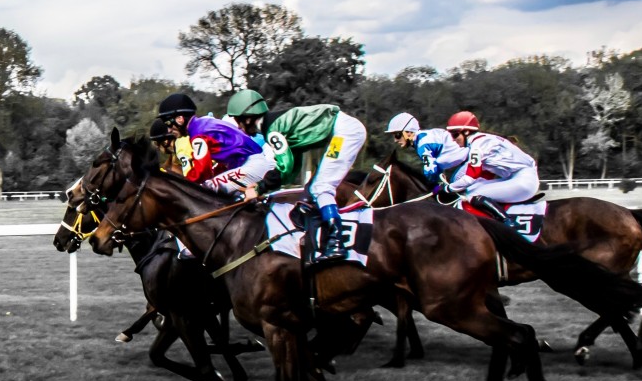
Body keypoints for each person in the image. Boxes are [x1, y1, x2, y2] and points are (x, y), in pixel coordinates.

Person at [225, 89, 367, 260]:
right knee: (314, 188)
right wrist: (259, 187)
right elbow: (291, 170)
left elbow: (286, 166)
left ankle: (336, 243)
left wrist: (259, 189)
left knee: (322, 188)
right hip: (343, 130)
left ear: (248, 118)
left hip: (345, 132)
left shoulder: (273, 130)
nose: (239, 127)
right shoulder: (276, 127)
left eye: (238, 121)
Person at [157, 92, 275, 197]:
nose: (168, 130)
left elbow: (203, 171)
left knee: (203, 190)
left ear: (179, 119)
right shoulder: (203, 123)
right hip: (253, 163)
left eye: (168, 123)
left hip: (252, 165)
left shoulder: (198, 134)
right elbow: (219, 166)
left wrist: (183, 185)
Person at [442, 110, 540, 227]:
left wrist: (448, 189)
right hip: (521, 177)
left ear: (467, 132)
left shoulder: (477, 146)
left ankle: (507, 223)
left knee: (472, 195)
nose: (453, 139)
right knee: (475, 188)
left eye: (455, 134)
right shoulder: (483, 140)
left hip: (523, 181)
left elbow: (469, 178)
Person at [385, 112, 468, 185]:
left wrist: (431, 186)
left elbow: (431, 170)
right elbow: (437, 169)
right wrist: (438, 185)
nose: (395, 140)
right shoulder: (423, 138)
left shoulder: (422, 144)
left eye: (397, 135)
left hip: (468, 163)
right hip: (465, 162)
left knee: (454, 193)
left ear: (409, 132)